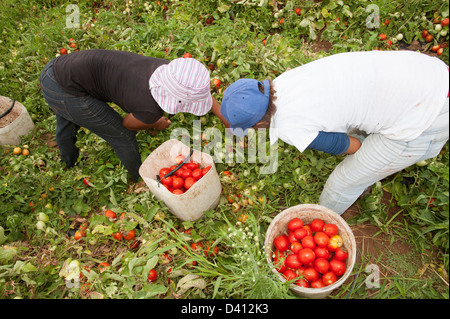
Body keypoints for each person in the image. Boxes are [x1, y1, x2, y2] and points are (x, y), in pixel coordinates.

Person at [220, 50, 449, 214]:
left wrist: (366, 162)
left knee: (343, 183)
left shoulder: (288, 125)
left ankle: (321, 224)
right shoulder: (287, 80)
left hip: (427, 114)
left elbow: (348, 146)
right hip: (428, 71)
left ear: (260, 124)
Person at [40, 49, 225, 182]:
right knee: (122, 135)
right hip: (64, 90)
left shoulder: (169, 70)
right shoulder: (150, 108)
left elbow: (198, 92)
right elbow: (128, 124)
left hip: (59, 70)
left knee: (67, 115)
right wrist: (154, 123)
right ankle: (141, 179)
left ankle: (68, 161)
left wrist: (225, 118)